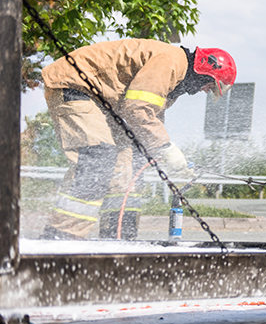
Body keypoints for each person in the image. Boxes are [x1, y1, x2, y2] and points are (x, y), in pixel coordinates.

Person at [40, 39, 237, 240]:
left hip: (102, 100)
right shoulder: (170, 62)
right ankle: (61, 236)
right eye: (210, 84)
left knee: (130, 164)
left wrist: (159, 153)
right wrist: (166, 148)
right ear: (205, 69)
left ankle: (118, 238)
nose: (205, 90)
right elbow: (137, 109)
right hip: (75, 85)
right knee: (98, 157)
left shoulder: (175, 78)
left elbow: (150, 118)